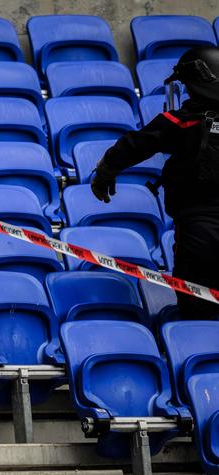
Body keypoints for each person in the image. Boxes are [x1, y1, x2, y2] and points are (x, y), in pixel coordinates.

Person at [91, 46, 219, 320]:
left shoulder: (182, 121)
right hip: (200, 225)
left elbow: (135, 144)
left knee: (196, 311)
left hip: (199, 230)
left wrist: (105, 171)